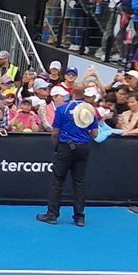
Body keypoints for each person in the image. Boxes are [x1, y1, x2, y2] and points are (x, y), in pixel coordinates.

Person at [38, 85, 99, 227]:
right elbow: (95, 134)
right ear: (84, 94)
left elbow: (55, 132)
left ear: (71, 93)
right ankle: (79, 217)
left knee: (57, 182)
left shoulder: (62, 109)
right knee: (79, 182)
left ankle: (52, 215)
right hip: (83, 148)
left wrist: (57, 146)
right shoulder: (89, 110)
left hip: (65, 147)